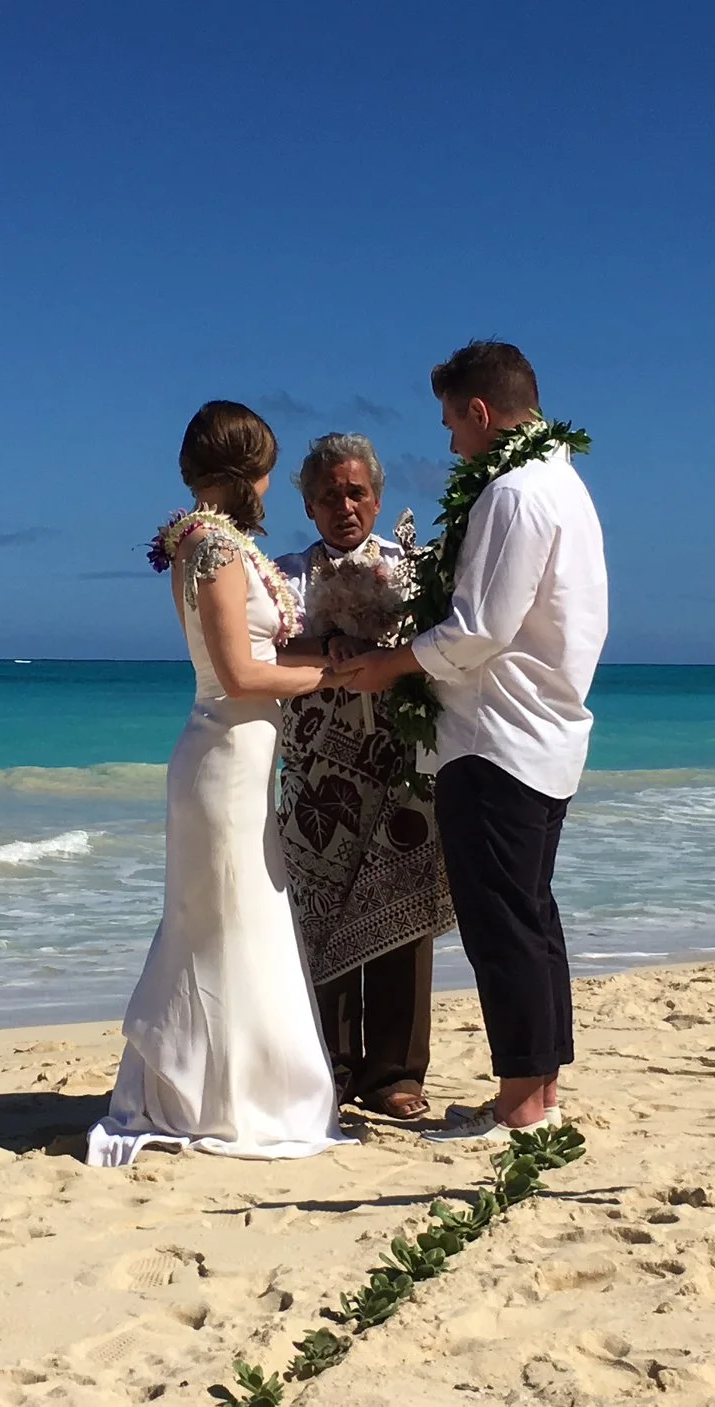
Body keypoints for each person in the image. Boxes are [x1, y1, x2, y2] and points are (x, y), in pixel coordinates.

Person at [329, 341, 608, 1141]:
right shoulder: (565, 484)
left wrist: (389, 664)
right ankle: (539, 1091)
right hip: (545, 730)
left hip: (497, 737)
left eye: (453, 423)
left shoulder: (514, 493)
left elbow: (478, 629)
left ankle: (520, 1101)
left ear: (481, 413)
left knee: (502, 925)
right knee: (530, 914)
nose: (452, 443)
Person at [86, 401, 349, 1168]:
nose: (270, 484)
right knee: (229, 926)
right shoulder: (217, 550)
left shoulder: (203, 541)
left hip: (233, 760)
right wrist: (332, 676)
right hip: (226, 758)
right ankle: (228, 1098)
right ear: (247, 473)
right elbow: (240, 674)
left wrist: (319, 650)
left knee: (235, 923)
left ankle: (221, 1087)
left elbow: (258, 649)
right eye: (267, 470)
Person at [272, 432, 455, 1122]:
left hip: (401, 766)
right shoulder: (286, 577)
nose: (343, 506)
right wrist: (327, 644)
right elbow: (261, 648)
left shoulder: (414, 571)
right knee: (317, 913)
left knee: (400, 909)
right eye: (328, 496)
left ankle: (396, 1075)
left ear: (377, 498)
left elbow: (443, 646)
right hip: (316, 774)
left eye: (355, 492)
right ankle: (331, 1065)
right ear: (309, 506)